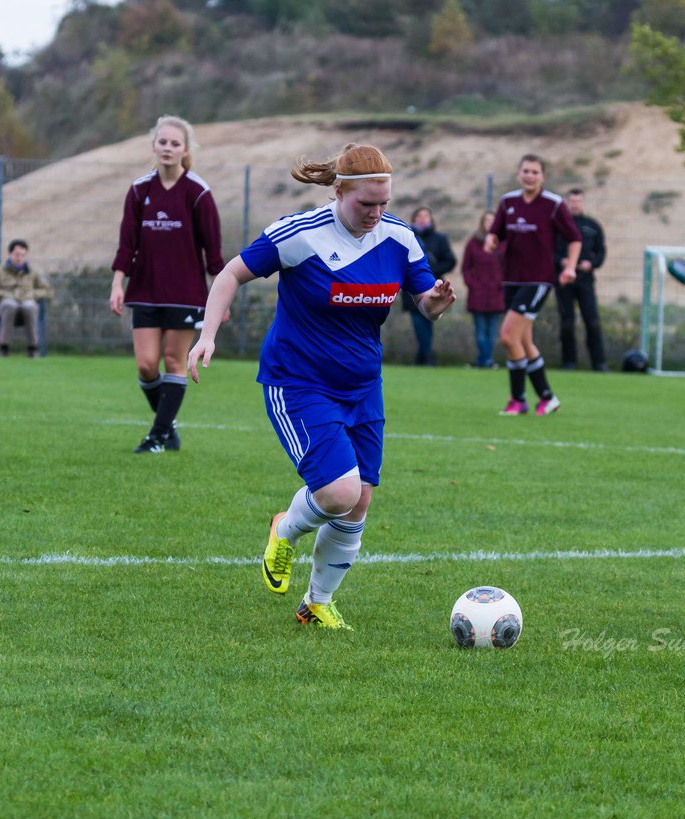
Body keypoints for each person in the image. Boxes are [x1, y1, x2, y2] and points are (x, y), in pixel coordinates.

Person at [187, 143, 455, 630]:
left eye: (384, 204)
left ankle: (316, 603)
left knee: (360, 500)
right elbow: (230, 274)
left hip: (362, 385)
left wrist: (438, 299)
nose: (376, 214)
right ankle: (283, 530)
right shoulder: (299, 234)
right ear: (339, 191)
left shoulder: (399, 239)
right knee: (338, 493)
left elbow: (426, 308)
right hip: (299, 382)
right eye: (365, 204)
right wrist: (207, 335)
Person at [110, 115, 225, 454]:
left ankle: (157, 436)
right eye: (163, 142)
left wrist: (221, 297)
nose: (168, 148)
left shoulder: (198, 192)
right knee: (146, 365)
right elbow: (126, 245)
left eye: (175, 143)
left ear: (185, 150)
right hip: (144, 290)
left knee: (174, 362)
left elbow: (214, 254)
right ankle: (167, 425)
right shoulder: (139, 190)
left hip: (186, 294)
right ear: (154, 146)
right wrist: (118, 283)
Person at [485, 154, 580, 415]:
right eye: (526, 171)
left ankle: (518, 400)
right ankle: (547, 398)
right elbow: (496, 233)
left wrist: (570, 267)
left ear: (543, 176)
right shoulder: (508, 202)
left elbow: (574, 238)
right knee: (524, 342)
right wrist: (491, 240)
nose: (530, 176)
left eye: (535, 172)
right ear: (518, 174)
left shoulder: (553, 204)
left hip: (538, 280)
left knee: (508, 336)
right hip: (511, 279)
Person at [553, 188, 608, 371]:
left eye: (578, 201)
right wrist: (562, 261)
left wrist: (591, 264)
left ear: (582, 203)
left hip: (585, 280)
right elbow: (548, 251)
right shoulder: (558, 225)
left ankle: (598, 363)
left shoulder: (592, 226)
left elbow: (601, 251)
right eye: (572, 201)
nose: (575, 204)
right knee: (567, 322)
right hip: (563, 280)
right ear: (566, 202)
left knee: (592, 321)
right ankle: (569, 362)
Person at [0, 238, 53, 357]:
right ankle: (4, 348)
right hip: (5, 309)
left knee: (30, 306)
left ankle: (33, 348)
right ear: (10, 253)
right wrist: (2, 294)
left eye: (23, 255)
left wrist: (32, 294)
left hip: (27, 306)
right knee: (9, 305)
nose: (19, 258)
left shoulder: (33, 272)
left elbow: (48, 291)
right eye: (17, 254)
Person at [403, 206, 456, 365]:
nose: (422, 219)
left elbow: (450, 261)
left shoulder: (440, 238)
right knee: (418, 324)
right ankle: (426, 356)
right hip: (412, 289)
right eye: (419, 216)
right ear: (414, 218)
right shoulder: (407, 236)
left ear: (431, 219)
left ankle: (424, 357)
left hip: (435, 287)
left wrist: (430, 270)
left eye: (426, 216)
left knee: (429, 322)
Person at [461, 211, 504, 368]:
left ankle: (484, 360)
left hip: (496, 293)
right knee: (480, 332)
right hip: (477, 293)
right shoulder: (473, 243)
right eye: (487, 220)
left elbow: (509, 266)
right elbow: (466, 267)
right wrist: (471, 283)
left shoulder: (502, 243)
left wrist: (501, 284)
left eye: (493, 220)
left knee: (492, 332)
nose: (490, 223)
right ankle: (485, 361)